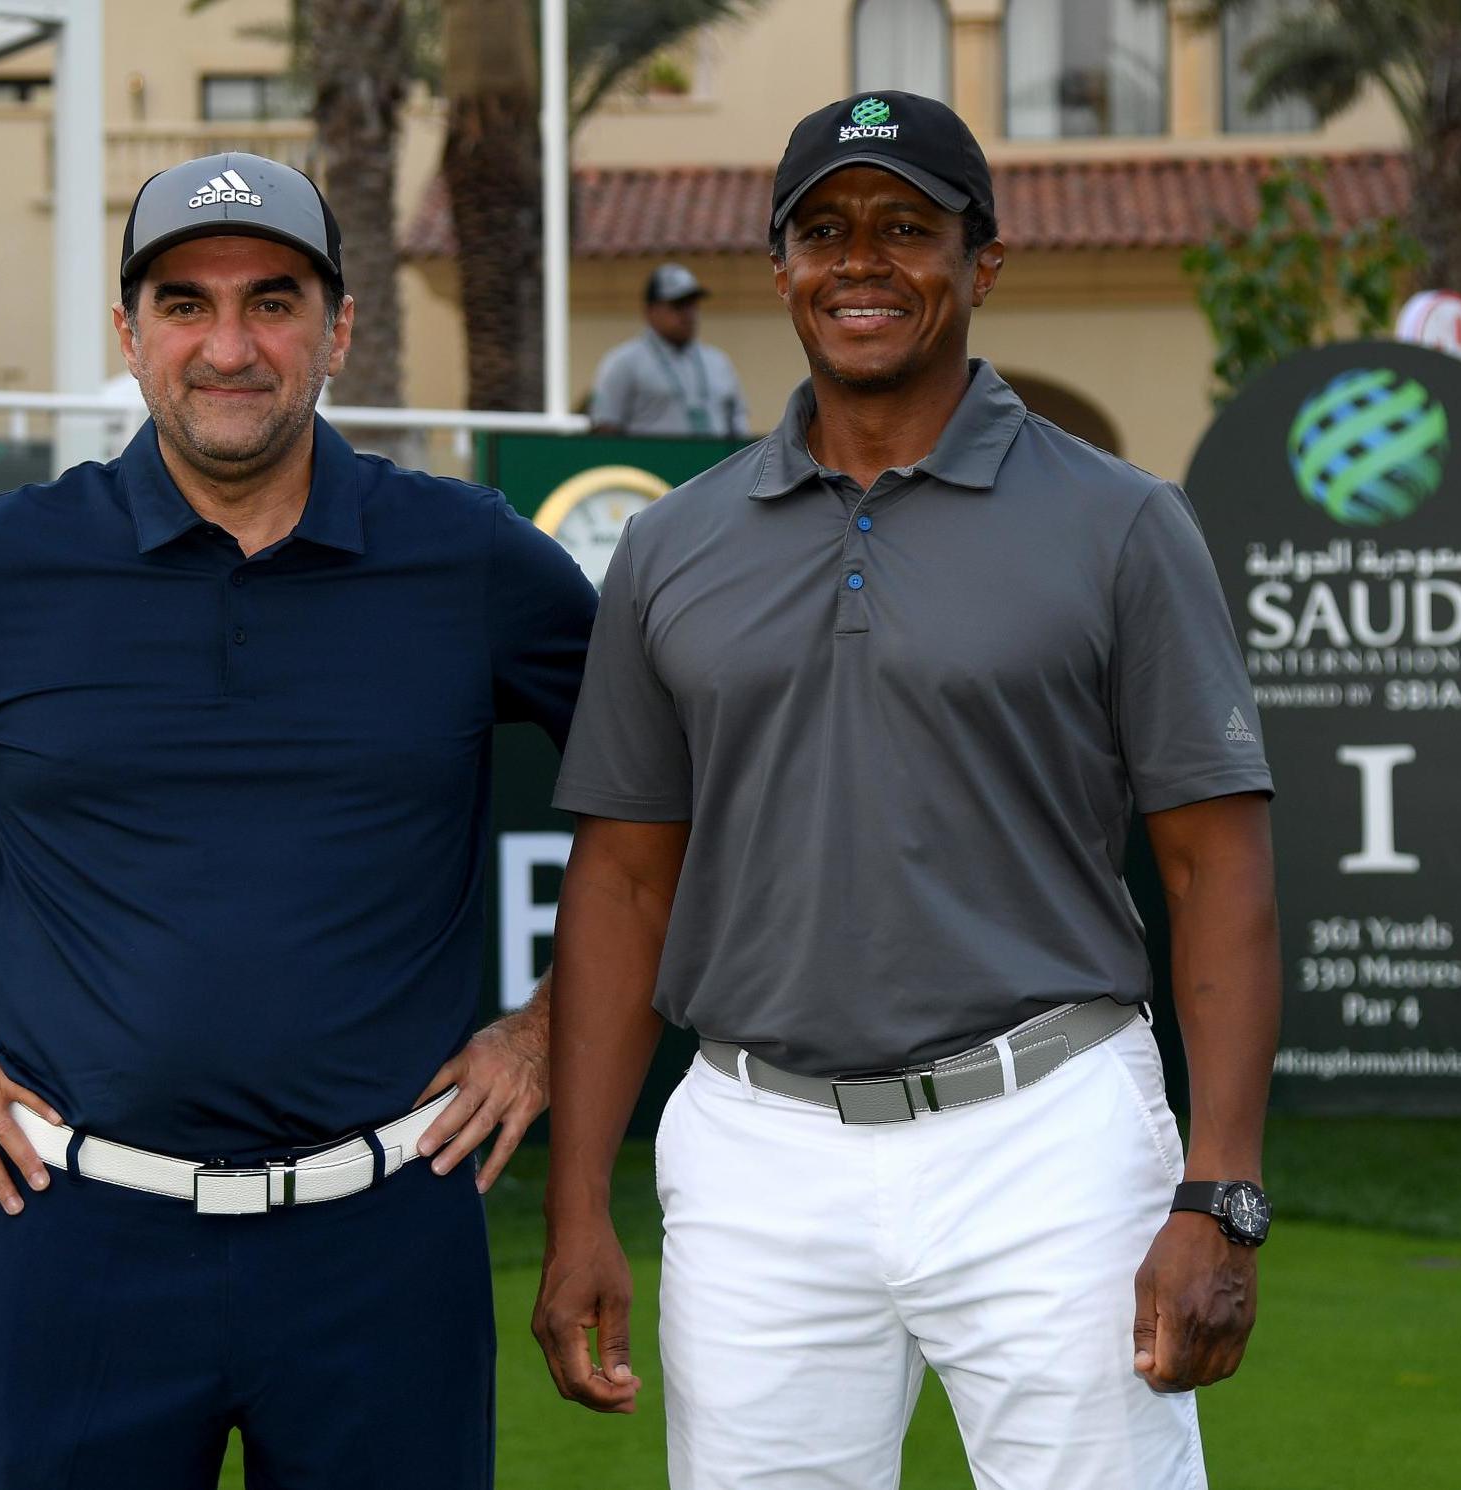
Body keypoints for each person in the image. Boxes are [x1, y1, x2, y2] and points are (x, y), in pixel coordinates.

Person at [0, 152, 596, 1490]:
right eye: (184, 303)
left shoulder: (468, 558)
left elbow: (665, 793)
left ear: (337, 327)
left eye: (272, 301)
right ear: (129, 335)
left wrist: (541, 1036)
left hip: (384, 1240)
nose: (228, 345)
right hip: (79, 1240)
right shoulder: (2, 562)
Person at [533, 92, 1281, 1490]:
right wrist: (577, 1206)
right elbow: (625, 880)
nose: (859, 261)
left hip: (1044, 1127)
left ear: (978, 261)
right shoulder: (670, 546)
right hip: (752, 1150)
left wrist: (1218, 1192)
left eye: (903, 228)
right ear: (780, 266)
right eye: (823, 229)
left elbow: (1212, 866)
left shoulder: (1119, 519)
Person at [587, 262, 750, 438]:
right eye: (678, 306)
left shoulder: (718, 362)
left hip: (717, 463)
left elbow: (738, 424)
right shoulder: (624, 363)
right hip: (652, 464)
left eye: (692, 305)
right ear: (650, 311)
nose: (688, 314)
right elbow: (605, 429)